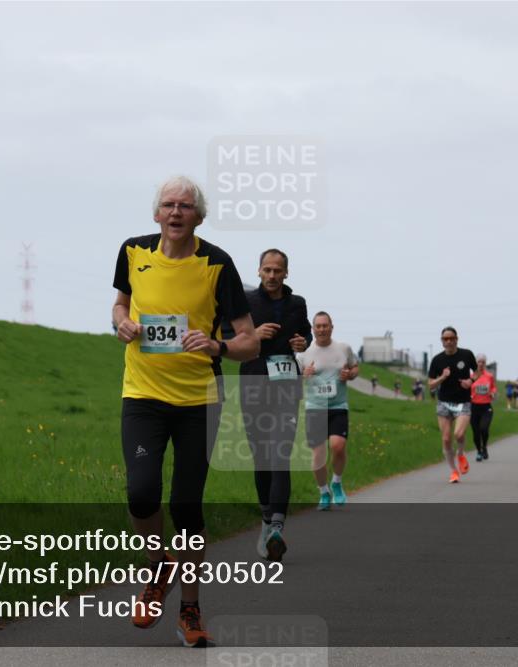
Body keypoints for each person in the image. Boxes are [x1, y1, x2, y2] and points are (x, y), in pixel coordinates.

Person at [112, 175, 259, 648]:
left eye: (186, 206)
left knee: (186, 506)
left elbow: (249, 340)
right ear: (156, 214)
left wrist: (217, 343)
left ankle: (190, 608)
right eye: (168, 205)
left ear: (199, 215)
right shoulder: (133, 252)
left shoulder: (218, 264)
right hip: (143, 395)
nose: (176, 212)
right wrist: (122, 324)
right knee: (141, 492)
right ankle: (158, 567)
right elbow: (120, 304)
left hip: (199, 398)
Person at [240, 249, 311, 563]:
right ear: (258, 271)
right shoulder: (246, 303)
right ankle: (267, 521)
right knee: (261, 456)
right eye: (266, 270)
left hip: (285, 385)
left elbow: (305, 334)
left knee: (280, 452)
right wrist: (253, 335)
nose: (271, 275)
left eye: (277, 270)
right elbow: (228, 336)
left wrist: (302, 344)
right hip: (253, 382)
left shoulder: (298, 304)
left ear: (286, 273)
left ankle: (278, 527)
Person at [297, 311, 359, 510]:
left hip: (338, 406)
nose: (322, 329)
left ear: (332, 327)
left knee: (338, 446)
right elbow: (295, 379)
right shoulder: (304, 354)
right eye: (318, 326)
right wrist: (303, 374)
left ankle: (337, 483)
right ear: (313, 329)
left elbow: (355, 368)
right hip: (315, 408)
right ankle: (323, 492)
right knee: (318, 455)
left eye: (325, 325)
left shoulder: (343, 348)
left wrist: (349, 374)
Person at [427, 327, 477, 483]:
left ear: (457, 339)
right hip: (444, 403)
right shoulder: (437, 360)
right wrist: (442, 377)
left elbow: (477, 371)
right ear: (442, 341)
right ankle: (453, 471)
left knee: (459, 434)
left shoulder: (466, 354)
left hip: (463, 402)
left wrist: (471, 381)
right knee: (447, 439)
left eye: (451, 338)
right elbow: (430, 385)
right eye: (445, 339)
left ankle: (461, 454)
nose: (448, 341)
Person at [470, 354, 497, 461]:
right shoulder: (472, 376)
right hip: (474, 407)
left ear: (485, 364)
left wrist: (493, 393)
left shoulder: (489, 376)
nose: (481, 364)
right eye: (479, 362)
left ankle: (484, 447)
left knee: (484, 429)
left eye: (483, 362)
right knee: (476, 432)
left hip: (486, 407)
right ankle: (479, 451)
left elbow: (494, 388)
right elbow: (466, 388)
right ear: (476, 363)